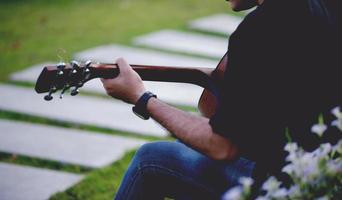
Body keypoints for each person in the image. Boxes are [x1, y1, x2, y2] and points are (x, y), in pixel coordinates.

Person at [101, 0, 340, 199]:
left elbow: (222, 146)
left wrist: (142, 98)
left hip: (289, 185)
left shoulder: (260, 29)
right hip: (330, 173)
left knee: (149, 160)